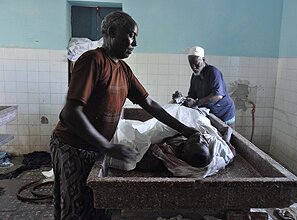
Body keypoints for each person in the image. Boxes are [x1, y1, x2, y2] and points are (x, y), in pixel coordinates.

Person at [49, 11, 198, 220]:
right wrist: (107, 146)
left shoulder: (123, 70)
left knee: (99, 206)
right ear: (111, 32)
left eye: (136, 37)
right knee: (76, 207)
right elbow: (71, 112)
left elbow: (149, 104)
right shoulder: (93, 61)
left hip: (95, 147)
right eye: (130, 35)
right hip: (73, 146)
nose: (134, 43)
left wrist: (184, 128)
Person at [182, 46, 236, 127]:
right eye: (191, 64)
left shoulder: (213, 72)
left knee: (228, 137)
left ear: (203, 60)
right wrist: (181, 99)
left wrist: (196, 103)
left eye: (197, 64)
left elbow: (217, 96)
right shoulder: (195, 76)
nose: (194, 67)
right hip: (212, 113)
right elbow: (192, 95)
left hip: (225, 113)